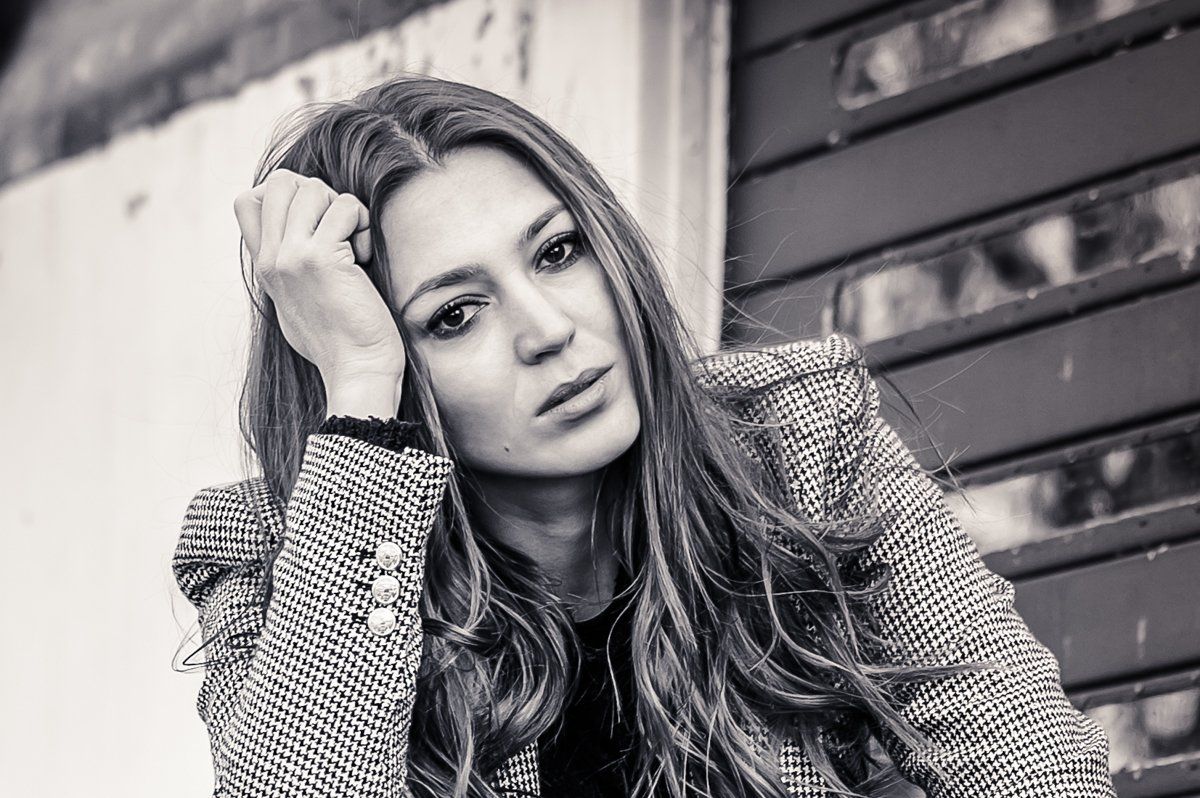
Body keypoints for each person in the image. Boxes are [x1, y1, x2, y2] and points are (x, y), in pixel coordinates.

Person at [172, 74, 1115, 798]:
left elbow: (1035, 765)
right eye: (454, 315)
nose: (548, 329)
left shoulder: (799, 440)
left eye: (557, 252)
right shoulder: (273, 558)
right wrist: (360, 390)